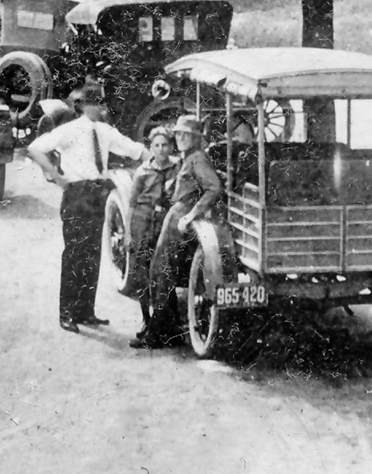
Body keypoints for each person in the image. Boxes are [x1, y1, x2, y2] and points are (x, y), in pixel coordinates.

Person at [27, 84, 144, 332]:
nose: (99, 108)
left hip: (97, 192)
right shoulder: (68, 130)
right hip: (77, 193)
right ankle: (67, 313)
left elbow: (134, 149)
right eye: (94, 103)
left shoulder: (105, 131)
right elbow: (35, 148)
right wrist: (57, 178)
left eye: (101, 103)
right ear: (82, 106)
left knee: (92, 254)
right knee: (74, 254)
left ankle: (86, 312)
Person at [135, 114, 224, 349]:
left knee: (162, 273)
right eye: (179, 134)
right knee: (159, 272)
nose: (181, 138)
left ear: (195, 138)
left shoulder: (196, 159)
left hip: (180, 217)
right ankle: (163, 330)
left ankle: (159, 334)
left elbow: (213, 188)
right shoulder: (187, 158)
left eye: (187, 135)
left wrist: (191, 214)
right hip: (174, 215)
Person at [119, 125, 179, 326]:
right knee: (141, 274)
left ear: (171, 147)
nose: (161, 149)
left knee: (163, 271)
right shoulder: (143, 171)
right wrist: (128, 233)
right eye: (157, 145)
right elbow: (132, 204)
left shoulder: (176, 168)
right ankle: (146, 319)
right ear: (151, 148)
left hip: (164, 223)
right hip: (142, 222)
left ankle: (167, 322)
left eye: (165, 145)